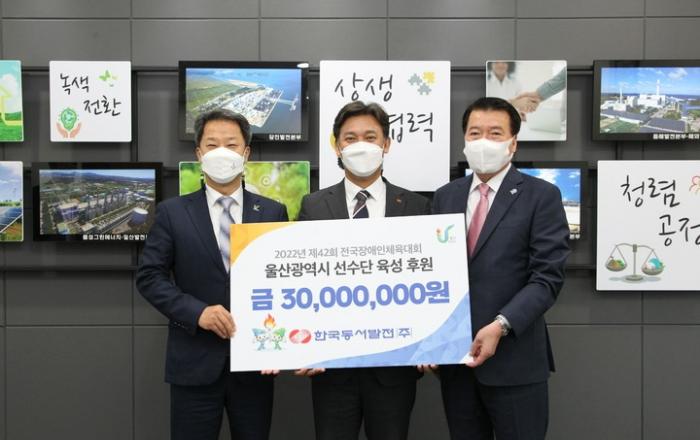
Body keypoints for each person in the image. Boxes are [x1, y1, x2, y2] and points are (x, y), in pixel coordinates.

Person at [136, 109, 288, 440]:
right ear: (199, 153)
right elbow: (149, 277)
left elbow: (284, 282)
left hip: (255, 364)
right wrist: (198, 312)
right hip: (194, 363)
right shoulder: (172, 212)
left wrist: (282, 345)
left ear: (246, 153)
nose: (222, 152)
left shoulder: (272, 212)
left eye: (231, 144)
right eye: (212, 144)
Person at [432, 97, 570, 440]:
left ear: (513, 143)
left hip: (515, 363)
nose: (483, 142)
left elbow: (547, 278)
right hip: (457, 364)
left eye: (495, 133)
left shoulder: (542, 196)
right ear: (464, 140)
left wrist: (500, 325)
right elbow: (434, 273)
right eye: (475, 133)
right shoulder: (445, 196)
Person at [295, 100, 431, 440]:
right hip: (332, 367)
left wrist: (433, 342)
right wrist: (303, 347)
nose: (361, 146)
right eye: (350, 138)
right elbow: (300, 279)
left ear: (386, 144)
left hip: (395, 368)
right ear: (337, 146)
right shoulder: (314, 206)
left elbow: (430, 281)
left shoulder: (417, 207)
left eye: (370, 137)